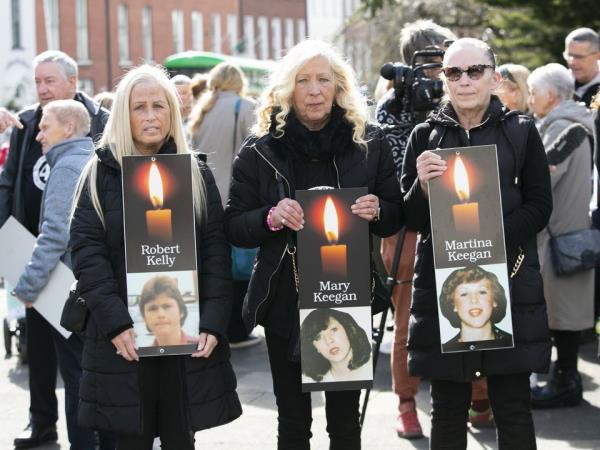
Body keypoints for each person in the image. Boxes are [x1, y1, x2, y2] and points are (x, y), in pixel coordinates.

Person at [223, 39, 403, 450]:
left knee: (344, 425)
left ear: (339, 87)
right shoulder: (260, 148)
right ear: (288, 88)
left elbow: (397, 213)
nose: (314, 89)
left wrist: (378, 210)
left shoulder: (369, 142)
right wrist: (271, 216)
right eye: (303, 80)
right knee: (292, 422)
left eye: (324, 79)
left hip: (346, 292)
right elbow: (233, 224)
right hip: (284, 295)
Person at [69, 65, 241, 449]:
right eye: (139, 107)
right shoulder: (100, 173)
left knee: (182, 439)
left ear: (173, 111)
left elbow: (215, 253)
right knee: (131, 440)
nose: (150, 116)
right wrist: (116, 324)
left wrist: (213, 321)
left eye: (159, 106)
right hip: (124, 341)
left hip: (185, 338)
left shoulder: (195, 172)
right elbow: (86, 254)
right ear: (123, 114)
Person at [402, 38, 552, 449]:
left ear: (494, 77)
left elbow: (540, 206)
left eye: (474, 71)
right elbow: (409, 219)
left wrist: (492, 239)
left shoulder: (520, 132)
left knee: (513, 407)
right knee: (448, 408)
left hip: (510, 283)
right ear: (443, 80)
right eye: (453, 72)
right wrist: (422, 186)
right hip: (444, 289)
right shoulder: (424, 136)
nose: (464, 80)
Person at [0, 50, 110, 449]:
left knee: (78, 359)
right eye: (37, 81)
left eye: (49, 81)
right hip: (30, 250)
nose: (41, 89)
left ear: (72, 84)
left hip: (65, 261)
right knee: (40, 349)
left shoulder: (98, 121)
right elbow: (9, 182)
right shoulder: (26, 122)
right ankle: (41, 421)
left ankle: (90, 435)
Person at [376, 19, 473, 438]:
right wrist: (406, 109)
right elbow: (392, 171)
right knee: (408, 318)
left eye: (446, 61)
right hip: (407, 227)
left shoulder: (461, 97)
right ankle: (407, 403)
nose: (442, 73)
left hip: (462, 216)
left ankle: (480, 395)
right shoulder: (392, 106)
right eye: (436, 62)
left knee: (472, 297)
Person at [527, 63, 594, 408]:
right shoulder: (570, 124)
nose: (530, 99)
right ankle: (563, 380)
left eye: (534, 92)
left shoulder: (566, 129)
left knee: (563, 317)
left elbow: (541, 176)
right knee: (561, 314)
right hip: (564, 236)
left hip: (560, 240)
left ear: (551, 95)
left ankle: (565, 383)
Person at [187, 62, 258, 348]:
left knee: (213, 263)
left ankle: (213, 324)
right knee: (238, 267)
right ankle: (236, 329)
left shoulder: (201, 111)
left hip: (202, 198)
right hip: (233, 197)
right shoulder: (245, 106)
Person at [438, 266, 513, 352]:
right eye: (464, 294)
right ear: (453, 305)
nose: (474, 300)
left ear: (495, 301)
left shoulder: (514, 343)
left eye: (482, 292)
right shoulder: (445, 350)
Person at [300, 309, 372, 383]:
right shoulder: (309, 382)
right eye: (318, 337)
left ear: (348, 330)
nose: (328, 341)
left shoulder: (374, 369)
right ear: (315, 347)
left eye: (333, 330)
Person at [138, 275, 198, 346]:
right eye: (152, 309)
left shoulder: (202, 348)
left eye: (167, 306)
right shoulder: (141, 355)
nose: (161, 314)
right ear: (144, 317)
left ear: (181, 311)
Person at [564, 28, 600, 106]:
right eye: (569, 55)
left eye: (579, 57)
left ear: (597, 56)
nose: (572, 62)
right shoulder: (560, 83)